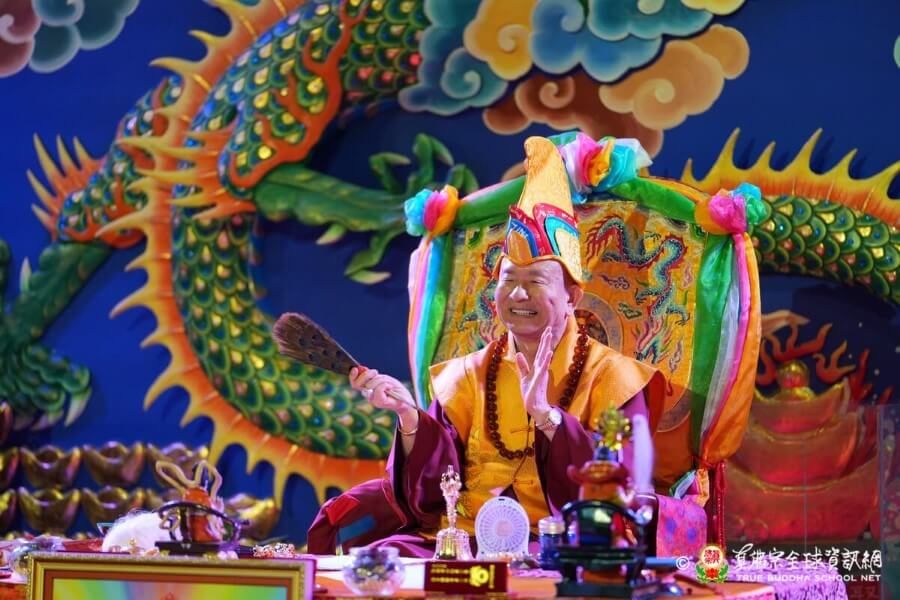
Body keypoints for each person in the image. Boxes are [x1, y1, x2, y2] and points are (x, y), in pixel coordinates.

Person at [307, 136, 705, 558]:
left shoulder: (617, 380)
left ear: (572, 296)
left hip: (562, 543)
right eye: (508, 281)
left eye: (535, 282)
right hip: (465, 542)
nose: (517, 295)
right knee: (386, 558)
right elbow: (428, 496)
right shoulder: (465, 376)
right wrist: (409, 419)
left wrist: (548, 418)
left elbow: (622, 491)